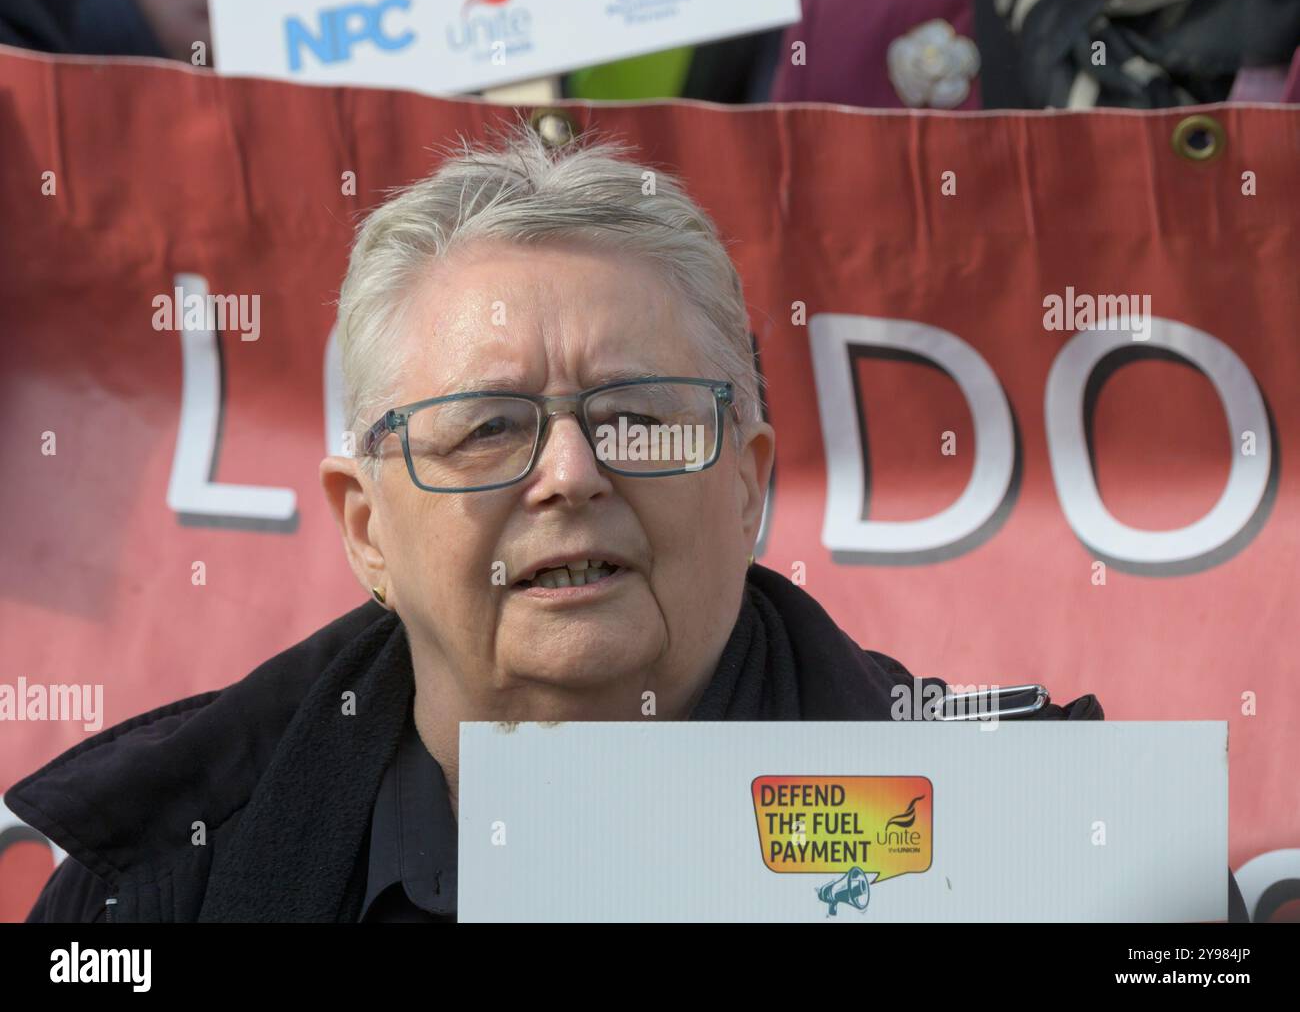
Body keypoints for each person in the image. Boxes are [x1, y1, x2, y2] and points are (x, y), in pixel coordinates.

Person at [10, 122, 1234, 923]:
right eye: (486, 426)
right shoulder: (147, 892)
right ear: (364, 524)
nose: (569, 474)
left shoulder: (1060, 859)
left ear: (748, 482)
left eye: (640, 417)